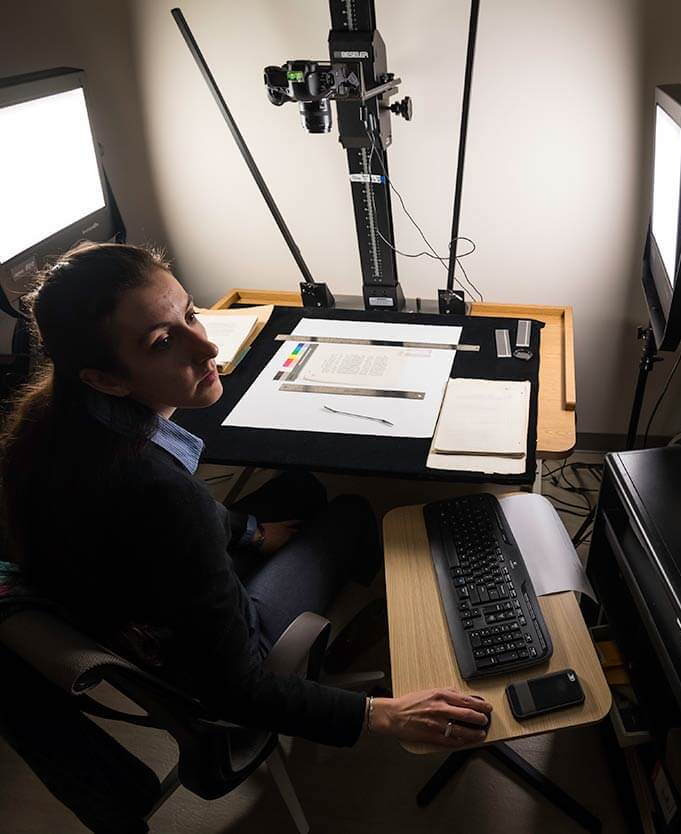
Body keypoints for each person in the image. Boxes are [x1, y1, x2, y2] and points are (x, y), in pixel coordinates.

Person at [0, 242, 491, 749]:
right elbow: (235, 691)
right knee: (350, 511)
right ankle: (354, 631)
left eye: (191, 314)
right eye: (163, 342)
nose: (207, 348)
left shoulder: (49, 422)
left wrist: (253, 534)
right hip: (199, 655)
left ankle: (319, 591)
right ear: (105, 378)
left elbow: (190, 518)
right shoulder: (160, 494)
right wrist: (380, 715)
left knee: (301, 485)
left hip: (129, 590)